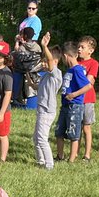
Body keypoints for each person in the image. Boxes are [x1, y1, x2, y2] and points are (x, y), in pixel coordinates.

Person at [54, 42, 91, 163]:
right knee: (59, 131)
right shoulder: (70, 70)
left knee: (73, 133)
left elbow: (88, 86)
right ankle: (60, 156)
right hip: (65, 105)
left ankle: (71, 159)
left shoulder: (77, 70)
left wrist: (74, 94)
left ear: (65, 56)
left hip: (74, 106)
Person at [32, 32, 61, 169]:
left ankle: (49, 165)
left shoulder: (56, 74)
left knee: (42, 138)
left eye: (45, 61)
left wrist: (44, 46)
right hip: (41, 109)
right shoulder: (46, 76)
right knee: (36, 138)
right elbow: (39, 87)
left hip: (47, 111)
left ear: (55, 62)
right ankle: (41, 161)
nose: (43, 63)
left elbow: (50, 62)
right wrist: (30, 82)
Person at [77, 36, 99, 162]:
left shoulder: (93, 63)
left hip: (87, 99)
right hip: (76, 99)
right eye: (78, 47)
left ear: (91, 50)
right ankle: (75, 152)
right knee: (76, 127)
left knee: (86, 127)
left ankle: (87, 154)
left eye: (82, 47)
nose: (79, 49)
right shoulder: (76, 61)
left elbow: (89, 80)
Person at [11, 27, 43, 110]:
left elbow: (16, 56)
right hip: (34, 71)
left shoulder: (22, 48)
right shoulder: (37, 47)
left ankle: (16, 99)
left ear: (24, 36)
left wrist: (18, 42)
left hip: (22, 71)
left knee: (15, 71)